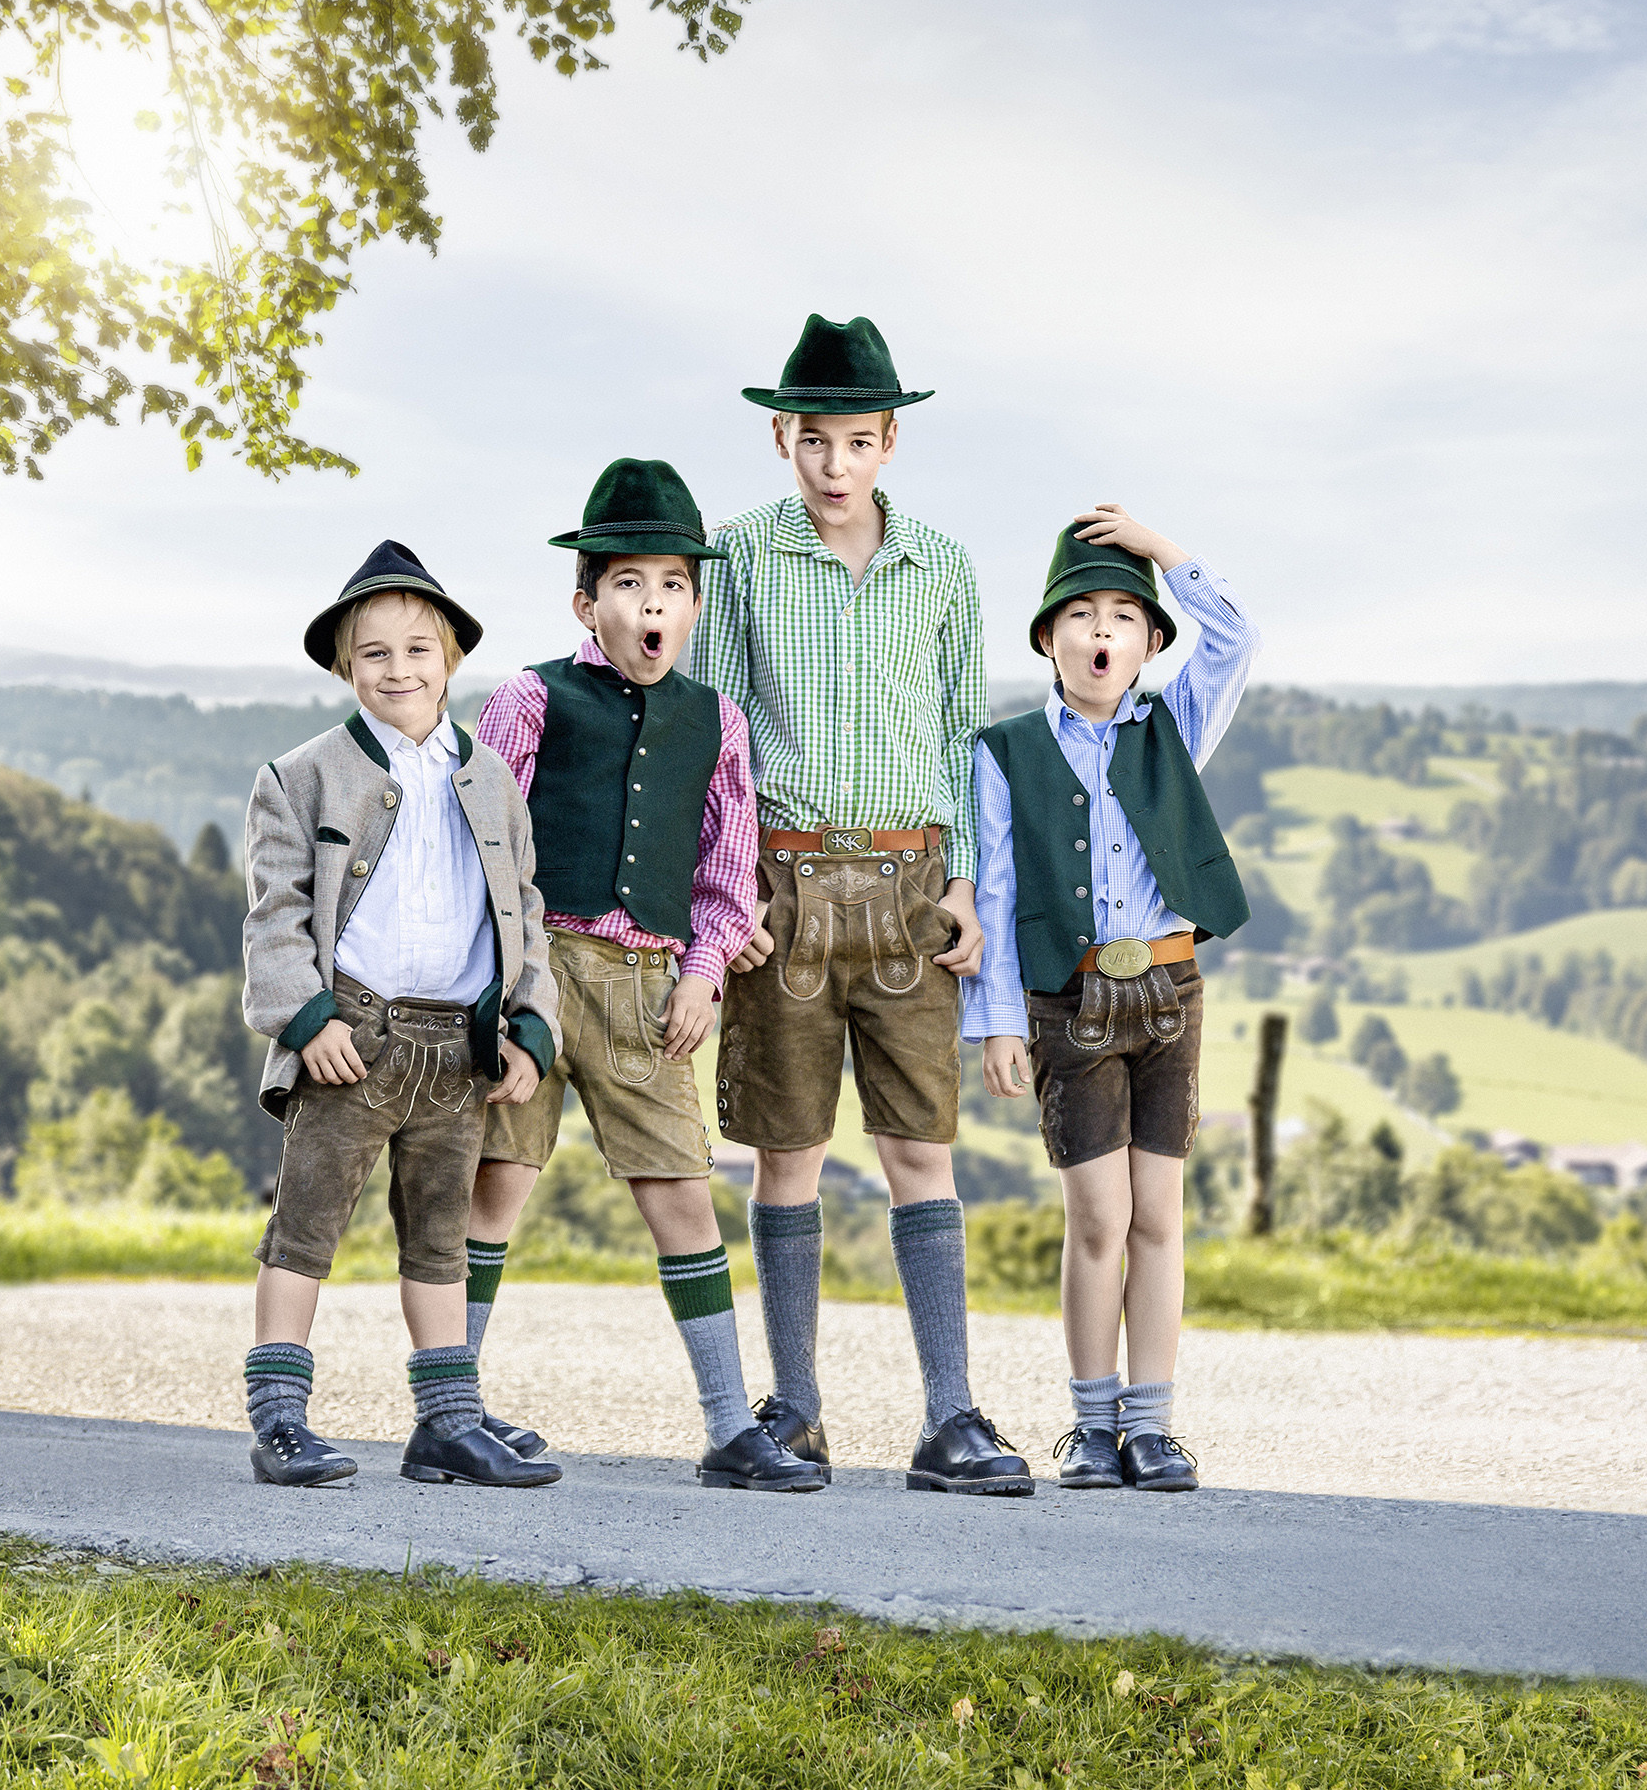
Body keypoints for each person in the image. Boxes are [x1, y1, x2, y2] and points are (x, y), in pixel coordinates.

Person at [689, 315, 1029, 1494]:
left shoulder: (943, 566)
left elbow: (960, 734)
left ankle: (951, 1414)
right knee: (787, 1154)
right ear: (781, 437)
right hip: (782, 888)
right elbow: (718, 738)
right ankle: (794, 1409)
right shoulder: (738, 555)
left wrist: (966, 884)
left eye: (859, 442)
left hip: (908, 887)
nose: (835, 466)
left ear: (891, 442)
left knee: (919, 1150)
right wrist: (729, 894)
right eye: (814, 442)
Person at [463, 460, 824, 1492]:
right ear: (586, 603)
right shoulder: (530, 698)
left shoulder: (719, 723)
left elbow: (726, 869)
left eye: (671, 585)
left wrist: (703, 973)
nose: (652, 603)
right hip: (531, 973)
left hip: (645, 986)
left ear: (694, 606)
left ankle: (728, 1424)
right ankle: (452, 1408)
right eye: (628, 584)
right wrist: (499, 983)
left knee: (682, 1199)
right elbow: (479, 840)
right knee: (495, 1184)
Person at [238, 540, 564, 1490]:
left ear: (449, 658)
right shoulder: (300, 775)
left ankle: (447, 1425)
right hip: (350, 1040)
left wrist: (529, 1026)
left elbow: (524, 911)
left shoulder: (491, 779)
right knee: (304, 1228)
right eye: (373, 652)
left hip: (457, 1048)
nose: (398, 669)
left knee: (440, 1239)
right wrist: (309, 1021)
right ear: (345, 664)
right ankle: (279, 1421)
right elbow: (275, 916)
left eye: (418, 649)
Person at [966, 507, 1260, 1493]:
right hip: (1068, 999)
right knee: (1098, 1216)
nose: (1101, 632)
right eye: (1080, 615)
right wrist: (996, 1019)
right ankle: (1091, 1424)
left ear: (1149, 641)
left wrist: (1160, 550)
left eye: (1123, 617)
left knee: (1157, 1216)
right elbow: (995, 891)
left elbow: (1236, 639)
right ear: (1048, 637)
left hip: (1170, 991)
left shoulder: (1173, 727)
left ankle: (1151, 1426)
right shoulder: (1005, 750)